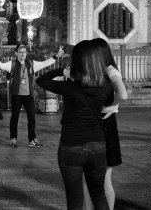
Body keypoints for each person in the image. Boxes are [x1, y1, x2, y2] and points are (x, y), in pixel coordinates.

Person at [36, 39, 114, 210]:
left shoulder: (68, 87)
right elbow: (110, 101)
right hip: (97, 144)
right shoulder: (106, 85)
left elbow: (41, 80)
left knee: (75, 199)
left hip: (72, 144)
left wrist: (62, 70)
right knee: (99, 195)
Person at [83, 38, 128, 210]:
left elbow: (122, 95)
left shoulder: (110, 71)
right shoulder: (97, 71)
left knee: (104, 177)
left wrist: (104, 102)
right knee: (88, 176)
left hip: (106, 124)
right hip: (95, 122)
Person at [0, 44, 60, 148]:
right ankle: (13, 138)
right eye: (20, 52)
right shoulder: (12, 64)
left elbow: (45, 63)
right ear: (16, 53)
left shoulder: (31, 63)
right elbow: (0, 66)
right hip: (17, 95)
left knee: (32, 117)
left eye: (24, 52)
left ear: (26, 53)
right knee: (15, 117)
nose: (22, 54)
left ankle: (32, 139)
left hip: (29, 95)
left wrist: (56, 56)